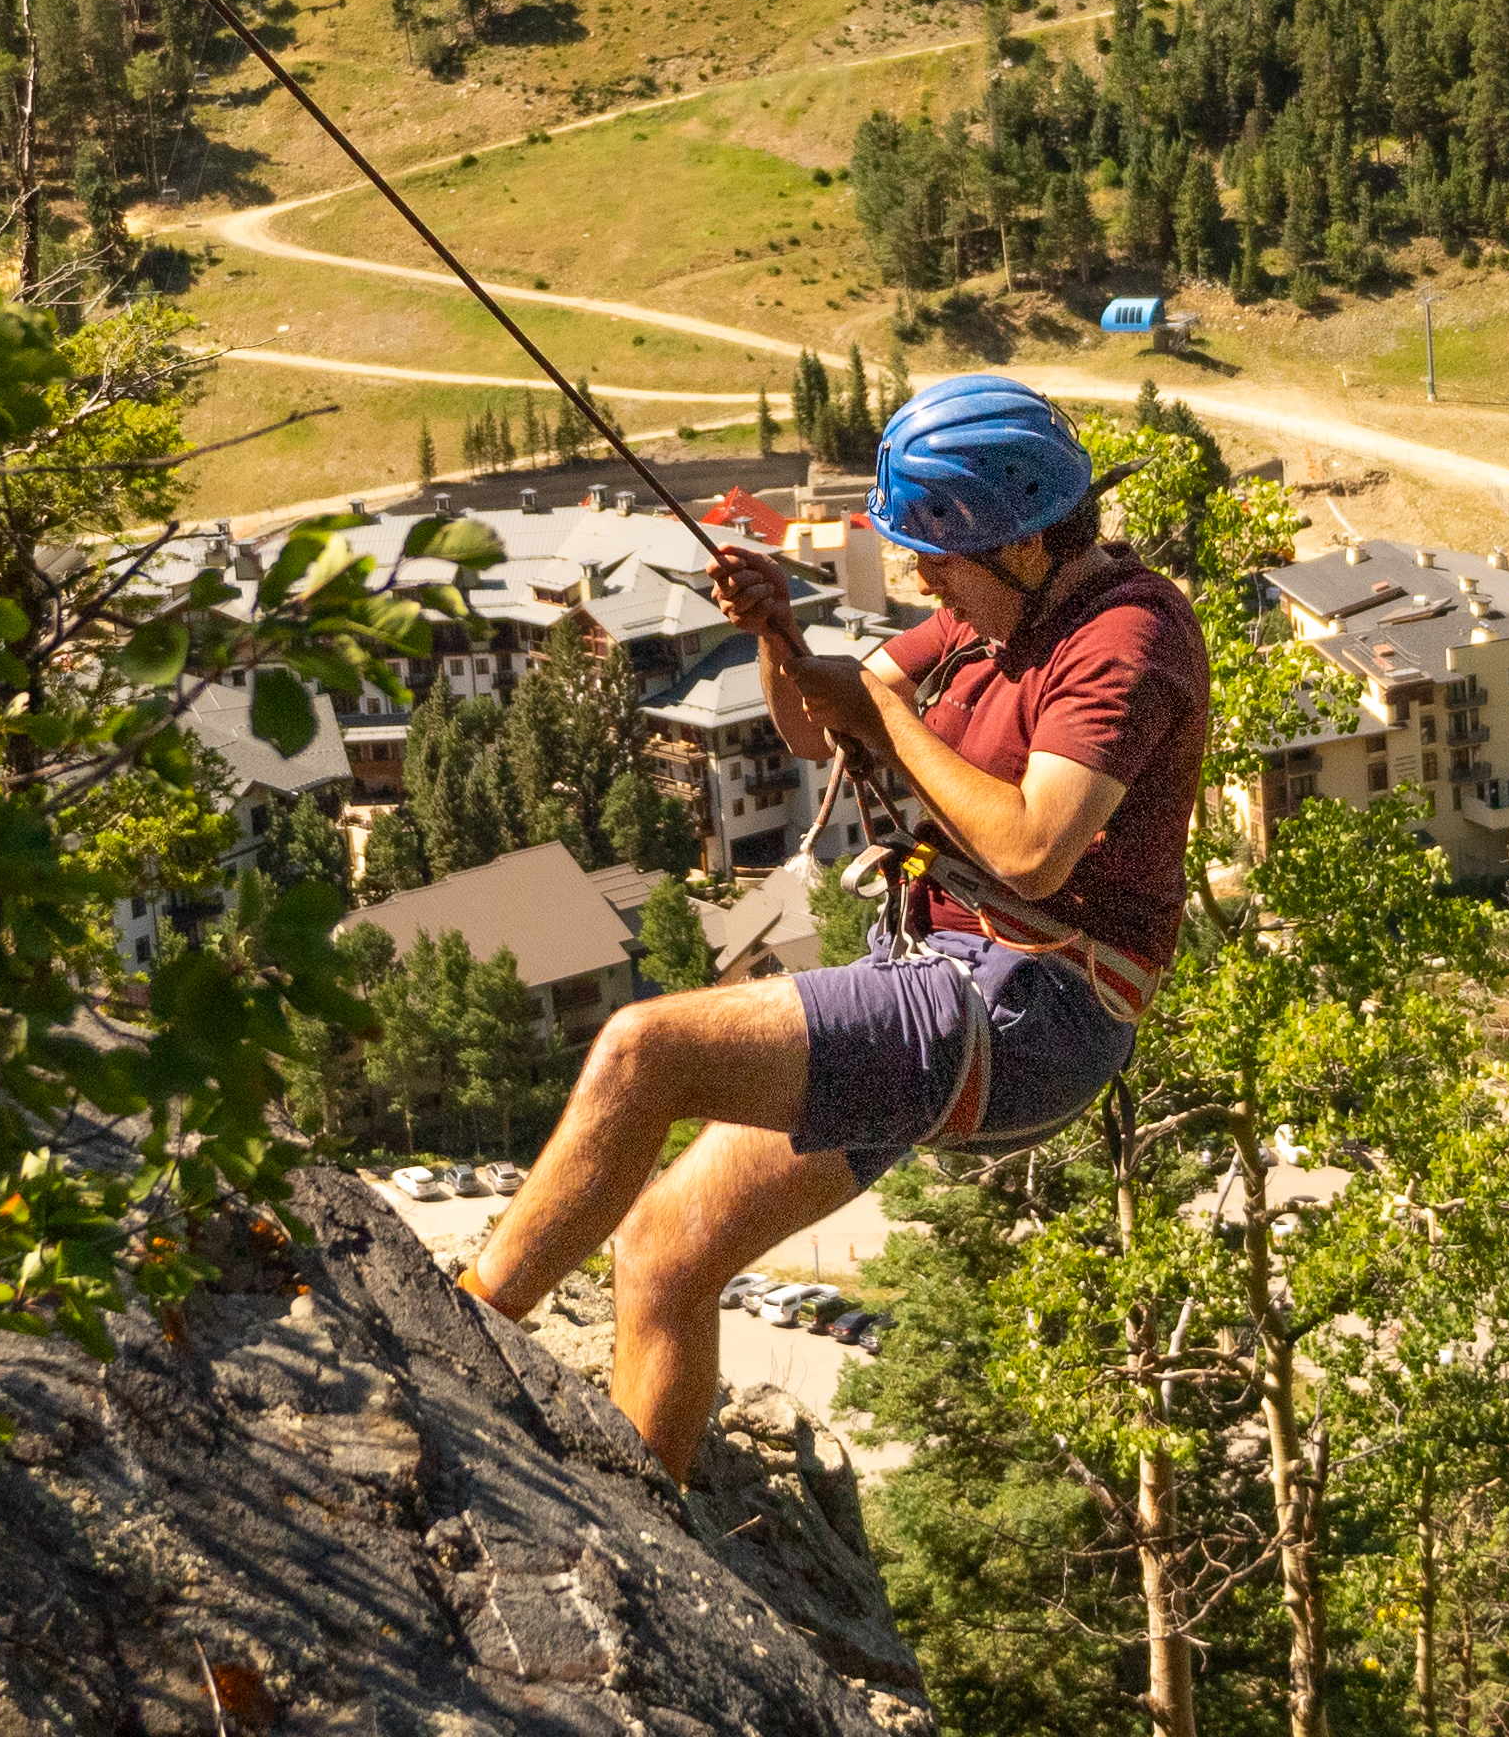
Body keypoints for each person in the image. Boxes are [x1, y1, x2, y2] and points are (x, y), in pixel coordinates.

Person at [455, 373, 1210, 1482]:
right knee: (663, 1253)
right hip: (957, 982)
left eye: (936, 558)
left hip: (1036, 1001)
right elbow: (818, 725)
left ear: (1020, 545)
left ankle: (455, 1344)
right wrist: (777, 629)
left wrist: (887, 709)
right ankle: (648, 1513)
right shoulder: (983, 617)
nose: (917, 578)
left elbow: (1035, 850)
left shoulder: (1123, 642)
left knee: (642, 1049)